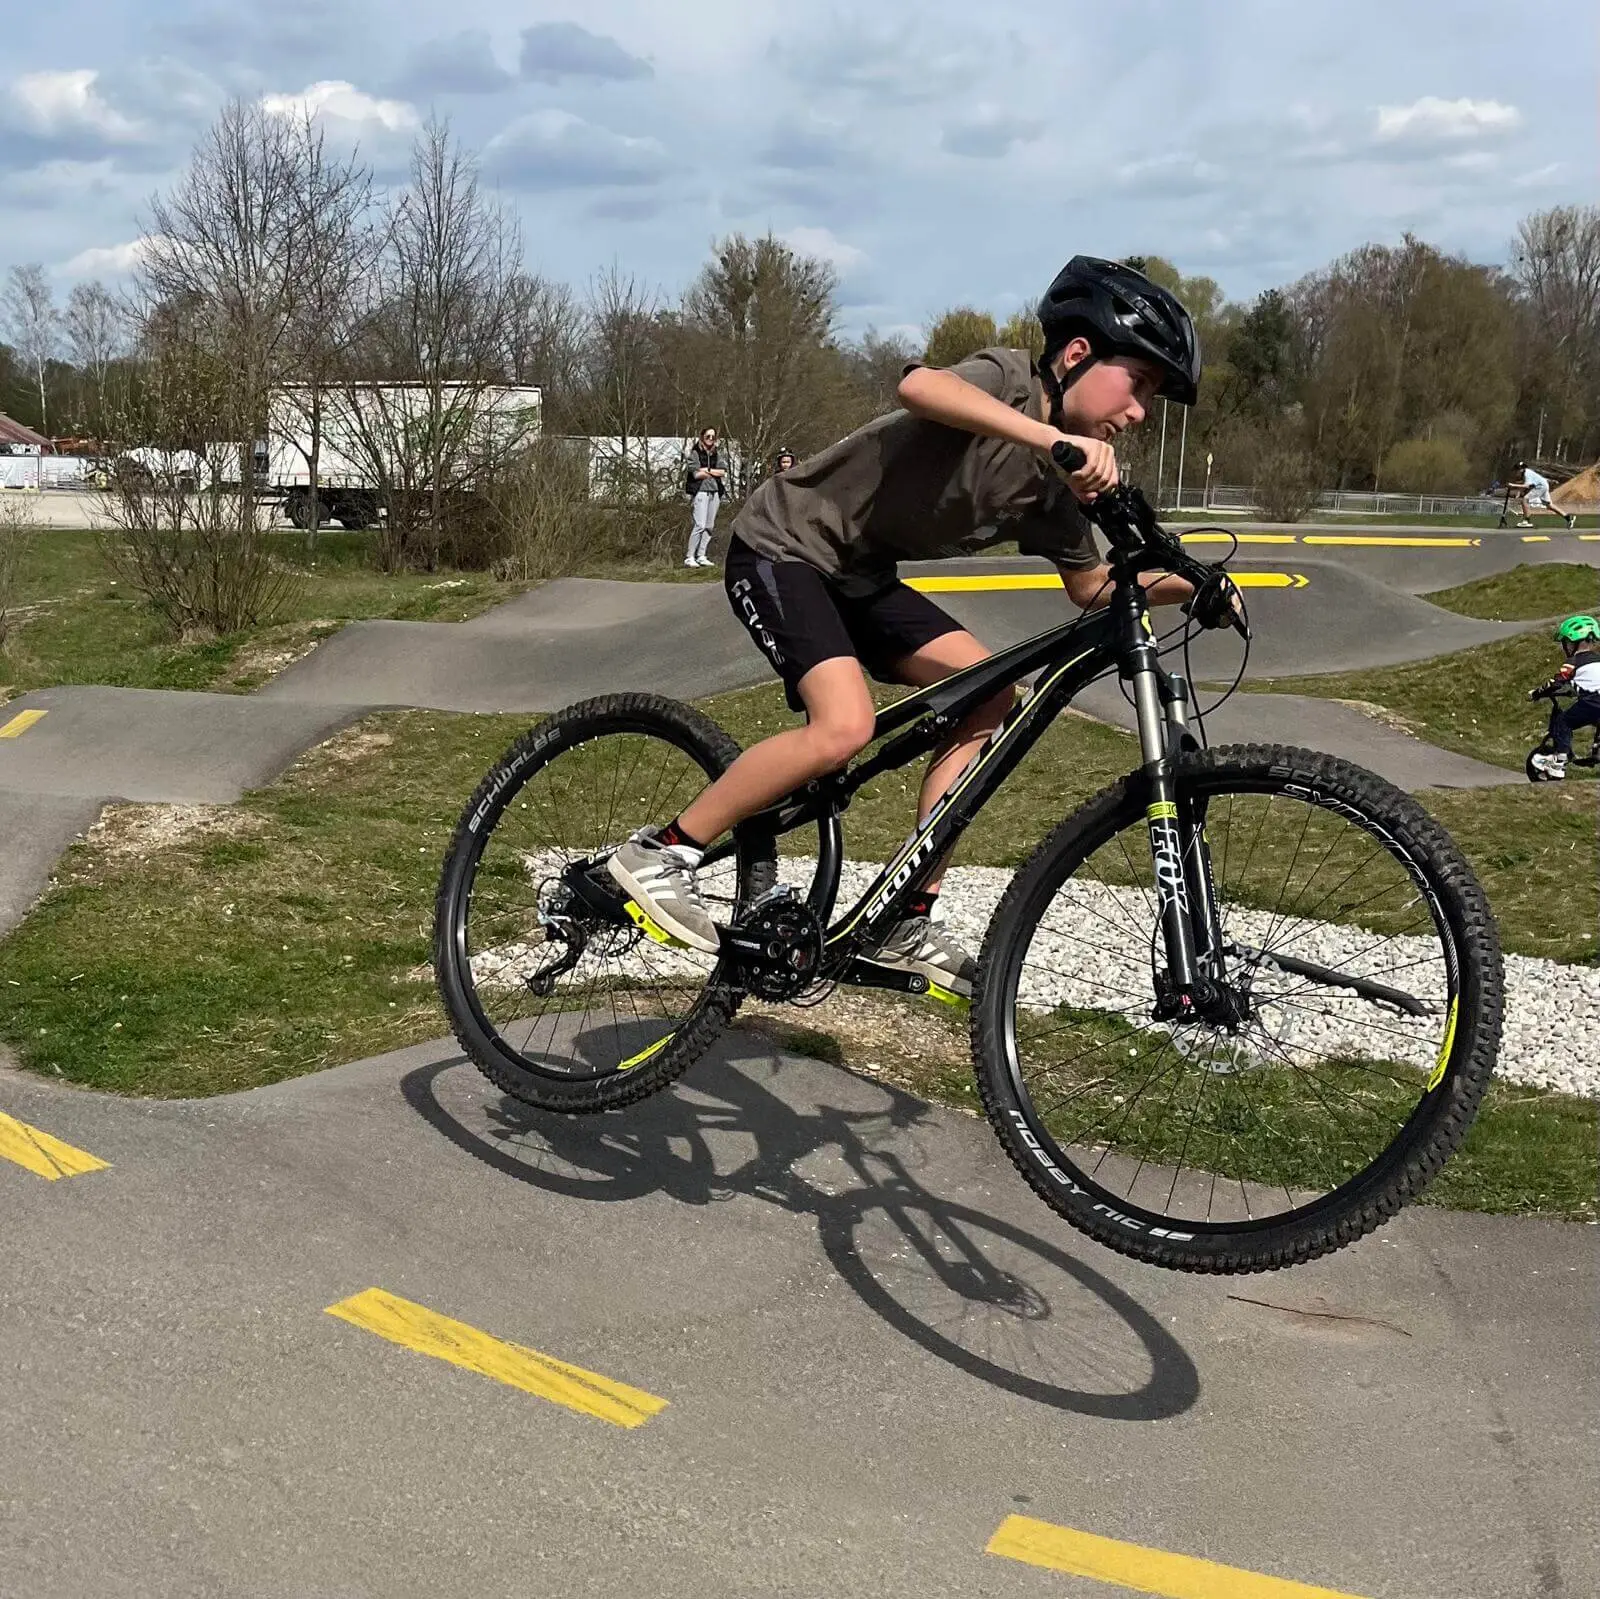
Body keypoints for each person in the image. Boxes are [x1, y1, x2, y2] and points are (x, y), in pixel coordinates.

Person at [608, 256, 1215, 999]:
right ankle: (659, 852)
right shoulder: (1012, 379)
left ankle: (904, 917)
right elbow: (919, 386)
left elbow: (1091, 587)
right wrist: (1047, 438)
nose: (1140, 412)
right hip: (783, 544)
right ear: (1079, 354)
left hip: (859, 576)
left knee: (995, 693)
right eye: (1141, 385)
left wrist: (1202, 586)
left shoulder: (1052, 493)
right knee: (844, 725)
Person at [1529, 614, 1600, 779]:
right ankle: (1597, 749)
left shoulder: (1574, 662)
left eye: (1566, 643)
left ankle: (1558, 761)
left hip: (1593, 702)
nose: (1565, 647)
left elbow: (1557, 682)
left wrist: (1538, 692)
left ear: (1575, 643)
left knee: (1563, 722)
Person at [683, 427, 727, 567]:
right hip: (701, 491)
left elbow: (722, 472)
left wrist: (707, 470)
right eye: (708, 436)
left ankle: (701, 555)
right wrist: (709, 472)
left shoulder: (717, 453)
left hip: (715, 492)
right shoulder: (695, 453)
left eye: (713, 437)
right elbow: (696, 474)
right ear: (702, 437)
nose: (710, 439)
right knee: (700, 524)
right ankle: (690, 556)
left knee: (709, 525)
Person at [1511, 462, 1576, 529]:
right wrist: (1519, 492)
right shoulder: (1526, 473)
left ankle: (1526, 521)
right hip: (1544, 485)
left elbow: (1528, 486)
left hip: (1540, 487)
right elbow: (1525, 484)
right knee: (1549, 505)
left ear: (1521, 469)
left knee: (1525, 499)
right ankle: (1568, 518)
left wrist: (1513, 485)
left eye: (1517, 470)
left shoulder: (1527, 474)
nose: (1516, 472)